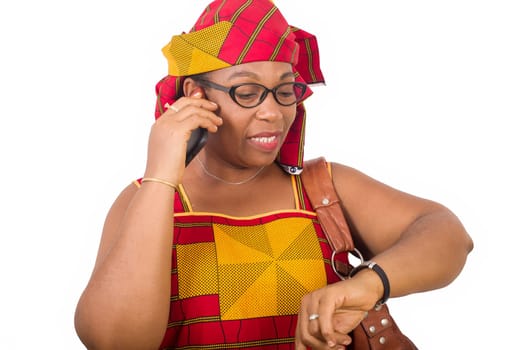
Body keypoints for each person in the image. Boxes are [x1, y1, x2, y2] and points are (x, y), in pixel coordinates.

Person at [74, 1, 474, 349]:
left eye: (285, 91)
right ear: (196, 96)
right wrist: (161, 176)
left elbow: (448, 236)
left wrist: (366, 284)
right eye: (246, 93)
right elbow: (113, 342)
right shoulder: (149, 201)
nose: (273, 112)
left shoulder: (323, 189)